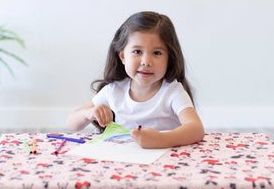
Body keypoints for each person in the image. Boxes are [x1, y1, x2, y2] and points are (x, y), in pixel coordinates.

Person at [66, 11, 204, 149]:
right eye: (137, 52)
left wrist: (161, 139)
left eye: (157, 53)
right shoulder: (113, 91)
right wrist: (88, 113)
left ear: (169, 59)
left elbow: (196, 129)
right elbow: (71, 123)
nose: (146, 62)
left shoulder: (172, 92)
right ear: (122, 56)